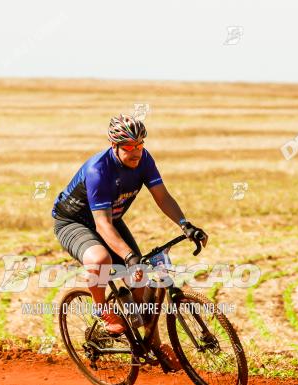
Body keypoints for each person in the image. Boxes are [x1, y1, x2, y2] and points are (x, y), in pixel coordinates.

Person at [51, 114, 208, 371]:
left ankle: (151, 343)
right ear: (114, 146)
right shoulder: (98, 170)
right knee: (101, 260)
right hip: (75, 222)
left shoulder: (144, 159)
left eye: (140, 144)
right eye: (128, 147)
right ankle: (102, 310)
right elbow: (101, 225)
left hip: (109, 219)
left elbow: (162, 196)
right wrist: (127, 255)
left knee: (141, 279)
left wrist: (185, 224)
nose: (136, 151)